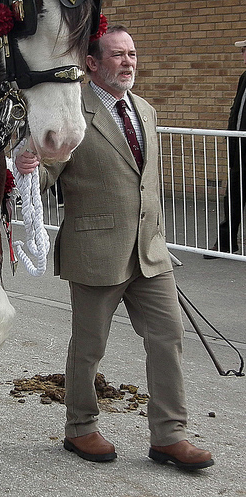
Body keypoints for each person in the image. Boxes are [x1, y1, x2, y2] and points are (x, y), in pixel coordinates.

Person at [16, 25, 213, 470]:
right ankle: (80, 428)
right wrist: (26, 165)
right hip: (95, 250)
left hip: (149, 252)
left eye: (133, 54)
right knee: (89, 347)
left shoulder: (145, 109)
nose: (128, 62)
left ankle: (169, 435)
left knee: (168, 339)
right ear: (92, 63)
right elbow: (47, 177)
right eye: (118, 55)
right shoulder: (73, 114)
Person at [206, 38, 246, 257]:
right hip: (240, 151)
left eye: (245, 51)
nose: (242, 55)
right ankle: (226, 243)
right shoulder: (244, 78)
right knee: (232, 199)